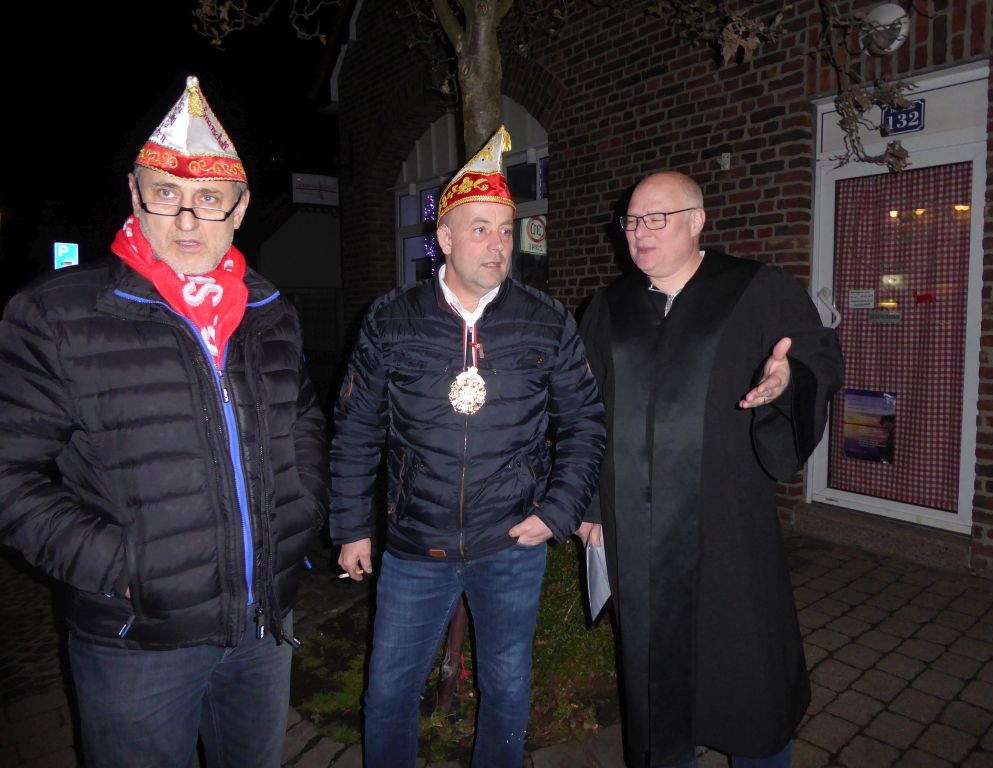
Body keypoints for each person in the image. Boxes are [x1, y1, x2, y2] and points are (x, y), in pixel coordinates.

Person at [0, 76, 328, 768]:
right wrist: (115, 566)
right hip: (136, 641)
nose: (185, 219)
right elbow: (8, 473)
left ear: (239, 209)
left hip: (262, 627)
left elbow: (301, 417)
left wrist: (300, 512)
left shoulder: (270, 311)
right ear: (134, 193)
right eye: (165, 193)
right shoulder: (57, 316)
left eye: (208, 199)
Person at [330, 126, 605, 768]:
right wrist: (351, 527)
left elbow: (584, 422)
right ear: (445, 238)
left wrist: (558, 510)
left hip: (511, 543)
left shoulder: (546, 320)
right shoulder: (391, 320)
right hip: (414, 545)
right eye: (479, 229)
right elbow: (357, 429)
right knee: (388, 693)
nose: (497, 244)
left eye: (505, 230)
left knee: (507, 690)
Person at [578, 171, 844, 768]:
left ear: (698, 221)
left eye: (657, 218)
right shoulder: (609, 309)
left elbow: (818, 356)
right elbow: (585, 412)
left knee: (747, 672)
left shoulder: (755, 289)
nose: (640, 232)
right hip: (636, 531)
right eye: (631, 221)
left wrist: (788, 380)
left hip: (726, 521)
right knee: (656, 689)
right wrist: (590, 505)